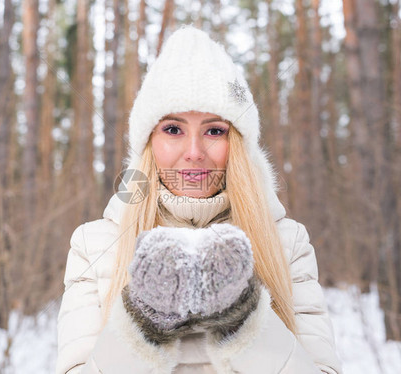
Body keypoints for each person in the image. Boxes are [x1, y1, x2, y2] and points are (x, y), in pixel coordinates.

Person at [56, 26, 343, 374]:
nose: (194, 153)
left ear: (236, 144)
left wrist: (244, 315)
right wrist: (141, 321)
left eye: (214, 131)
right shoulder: (95, 244)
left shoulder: (287, 242)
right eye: (173, 129)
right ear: (149, 143)